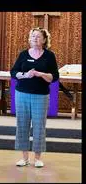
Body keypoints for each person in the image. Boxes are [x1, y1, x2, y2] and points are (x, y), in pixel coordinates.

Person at [10, 27, 59, 168]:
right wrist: (25, 75)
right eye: (32, 36)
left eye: (38, 37)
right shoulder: (23, 54)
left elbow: (54, 77)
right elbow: (13, 72)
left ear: (44, 40)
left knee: (39, 126)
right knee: (22, 125)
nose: (34, 39)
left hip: (41, 96)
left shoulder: (49, 56)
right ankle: (24, 158)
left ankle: (37, 158)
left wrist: (40, 74)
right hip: (22, 94)